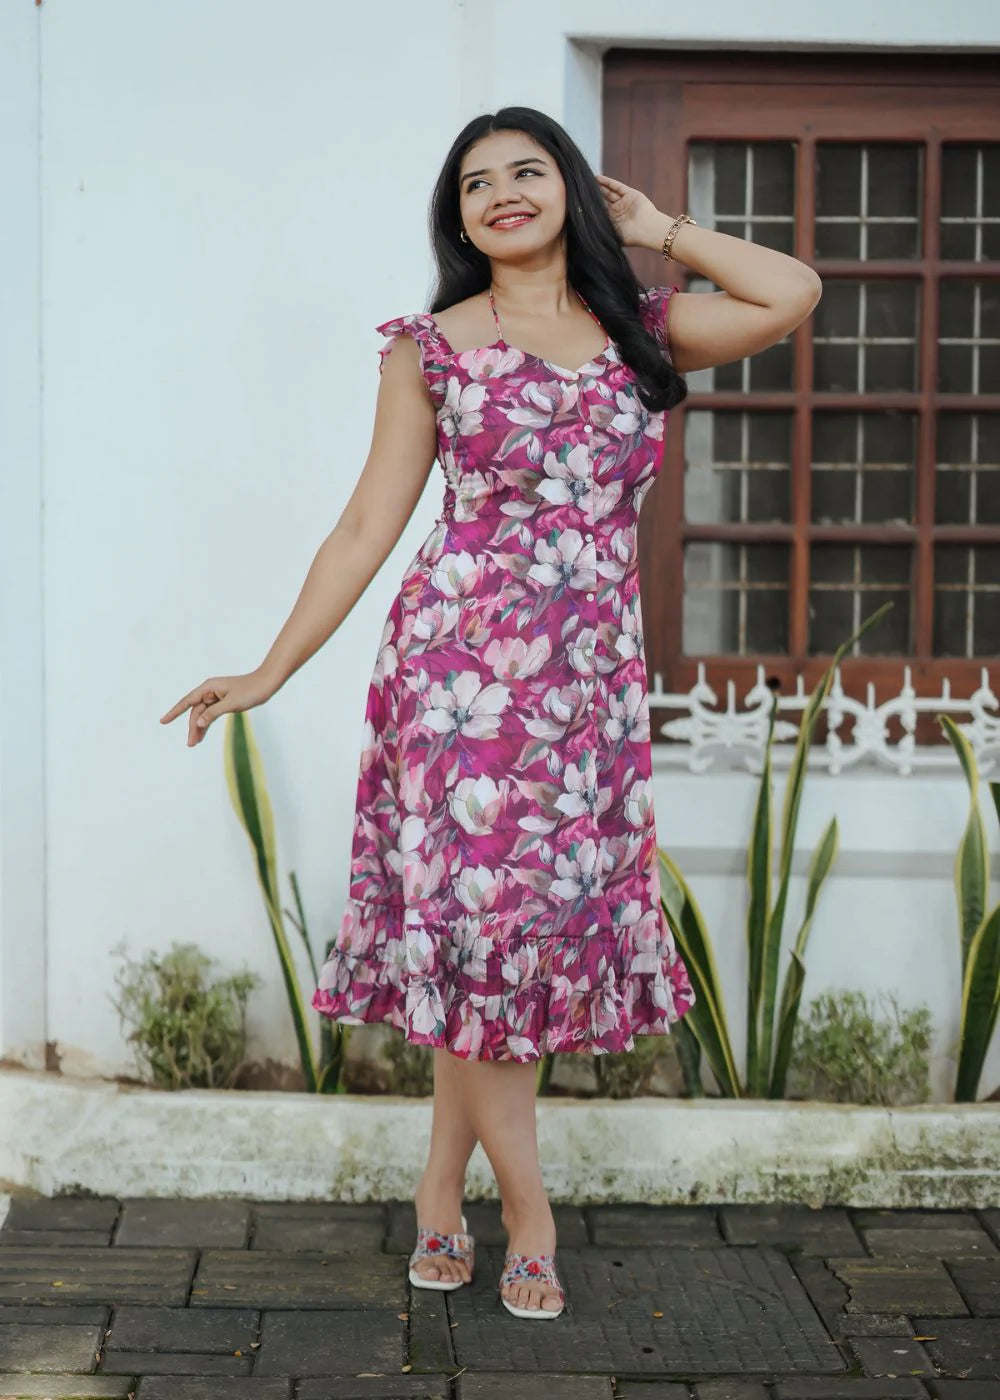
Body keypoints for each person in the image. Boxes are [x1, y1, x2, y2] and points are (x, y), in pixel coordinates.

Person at [161, 106, 821, 1320]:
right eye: (476, 184)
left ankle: (434, 1187)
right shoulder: (431, 347)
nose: (503, 193)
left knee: (513, 952)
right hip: (458, 685)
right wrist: (267, 669)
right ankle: (530, 1214)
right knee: (483, 939)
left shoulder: (645, 329)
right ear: (456, 218)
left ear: (573, 186)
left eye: (528, 171)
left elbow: (790, 291)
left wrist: (659, 227)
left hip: (586, 702)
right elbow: (368, 525)